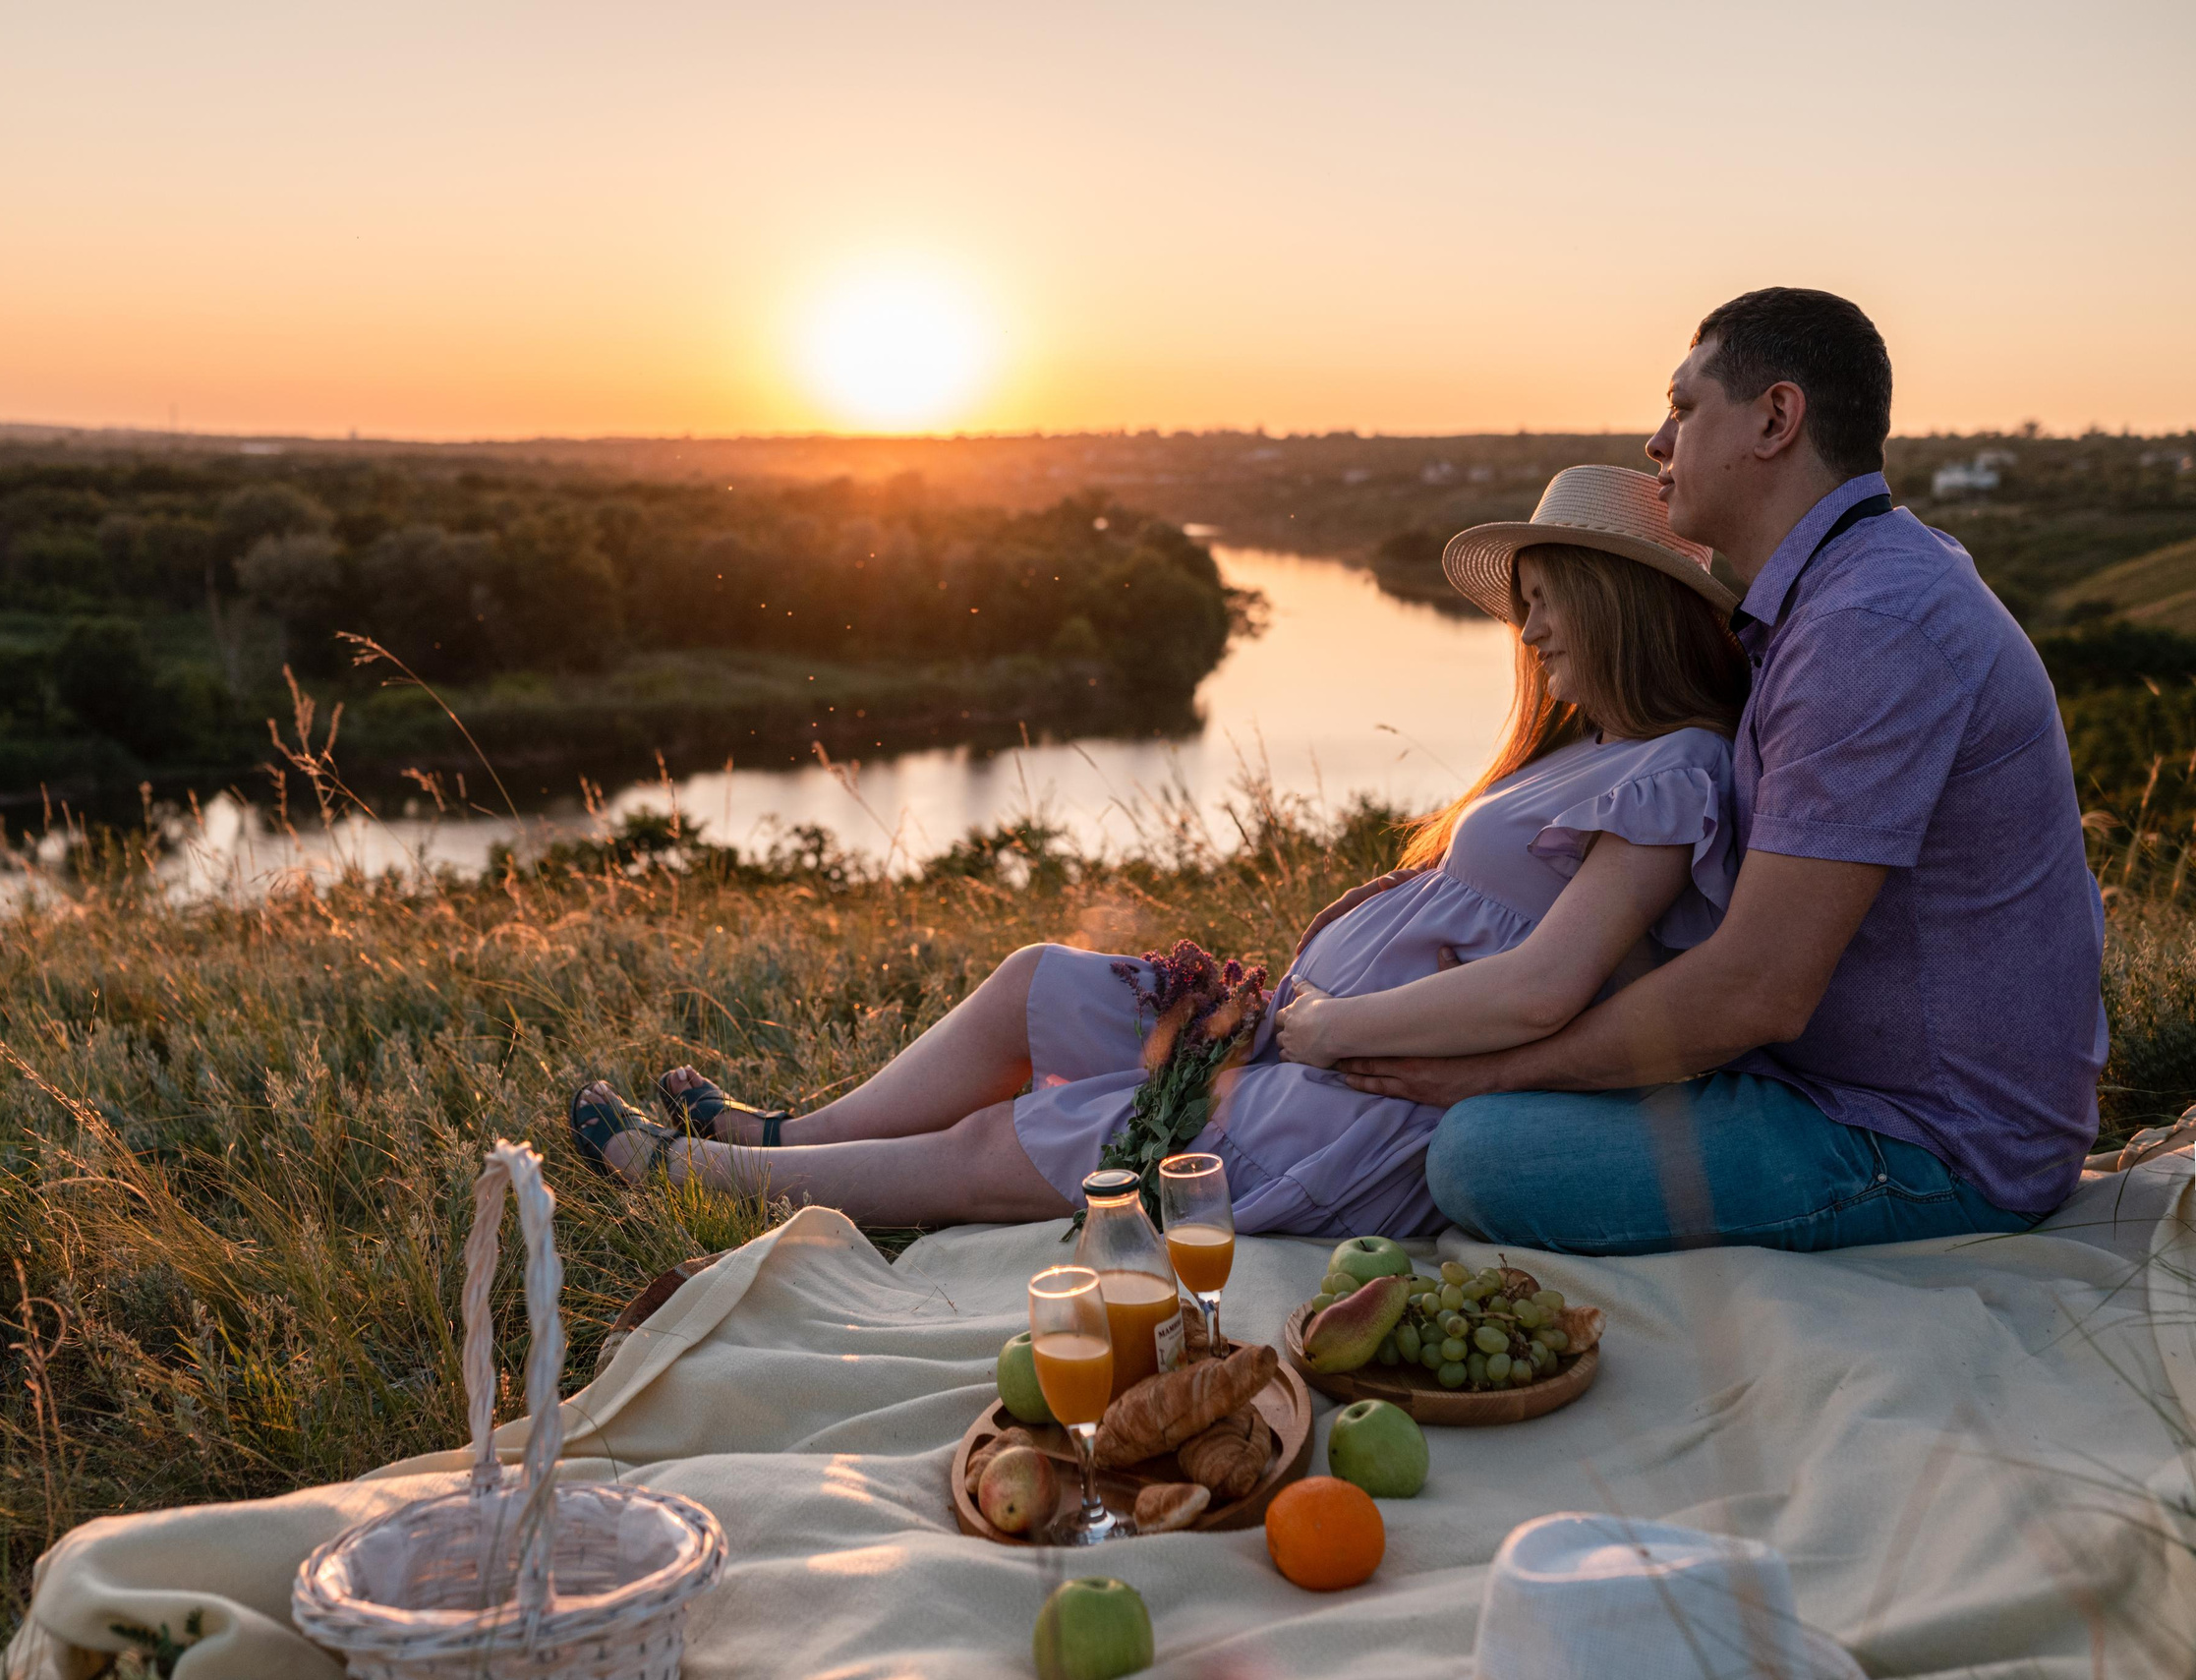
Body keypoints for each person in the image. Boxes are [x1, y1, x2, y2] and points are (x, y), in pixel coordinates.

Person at [569, 464, 1754, 1235]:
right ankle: (799, 1132)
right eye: (1525, 597)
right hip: (1308, 1031)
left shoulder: (1676, 769)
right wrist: (1291, 1008)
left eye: (1550, 597)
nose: (1528, 623)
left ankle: (717, 1184)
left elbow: (1547, 983)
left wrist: (1322, 1029)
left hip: (1373, 1096)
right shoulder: (1584, 750)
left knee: (1027, 1136)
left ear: (1622, 602)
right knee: (1040, 980)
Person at [1338, 287, 2107, 1254]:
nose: (1658, 443)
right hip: (1824, 1084)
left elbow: (1757, 989)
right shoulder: (1835, 596)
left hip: (1929, 1141)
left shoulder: (1870, 622)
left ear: (1775, 419)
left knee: (1477, 1153)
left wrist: (1501, 1067)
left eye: (1684, 407)